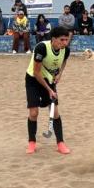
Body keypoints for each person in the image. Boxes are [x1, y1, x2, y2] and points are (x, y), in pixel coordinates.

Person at [25, 27, 72, 155]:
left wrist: (59, 74)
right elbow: (36, 72)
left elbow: (64, 61)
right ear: (53, 39)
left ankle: (60, 143)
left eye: (66, 40)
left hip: (49, 80)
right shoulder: (42, 48)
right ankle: (32, 142)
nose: (65, 43)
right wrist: (49, 90)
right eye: (62, 40)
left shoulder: (66, 50)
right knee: (34, 113)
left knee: (55, 112)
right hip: (33, 80)